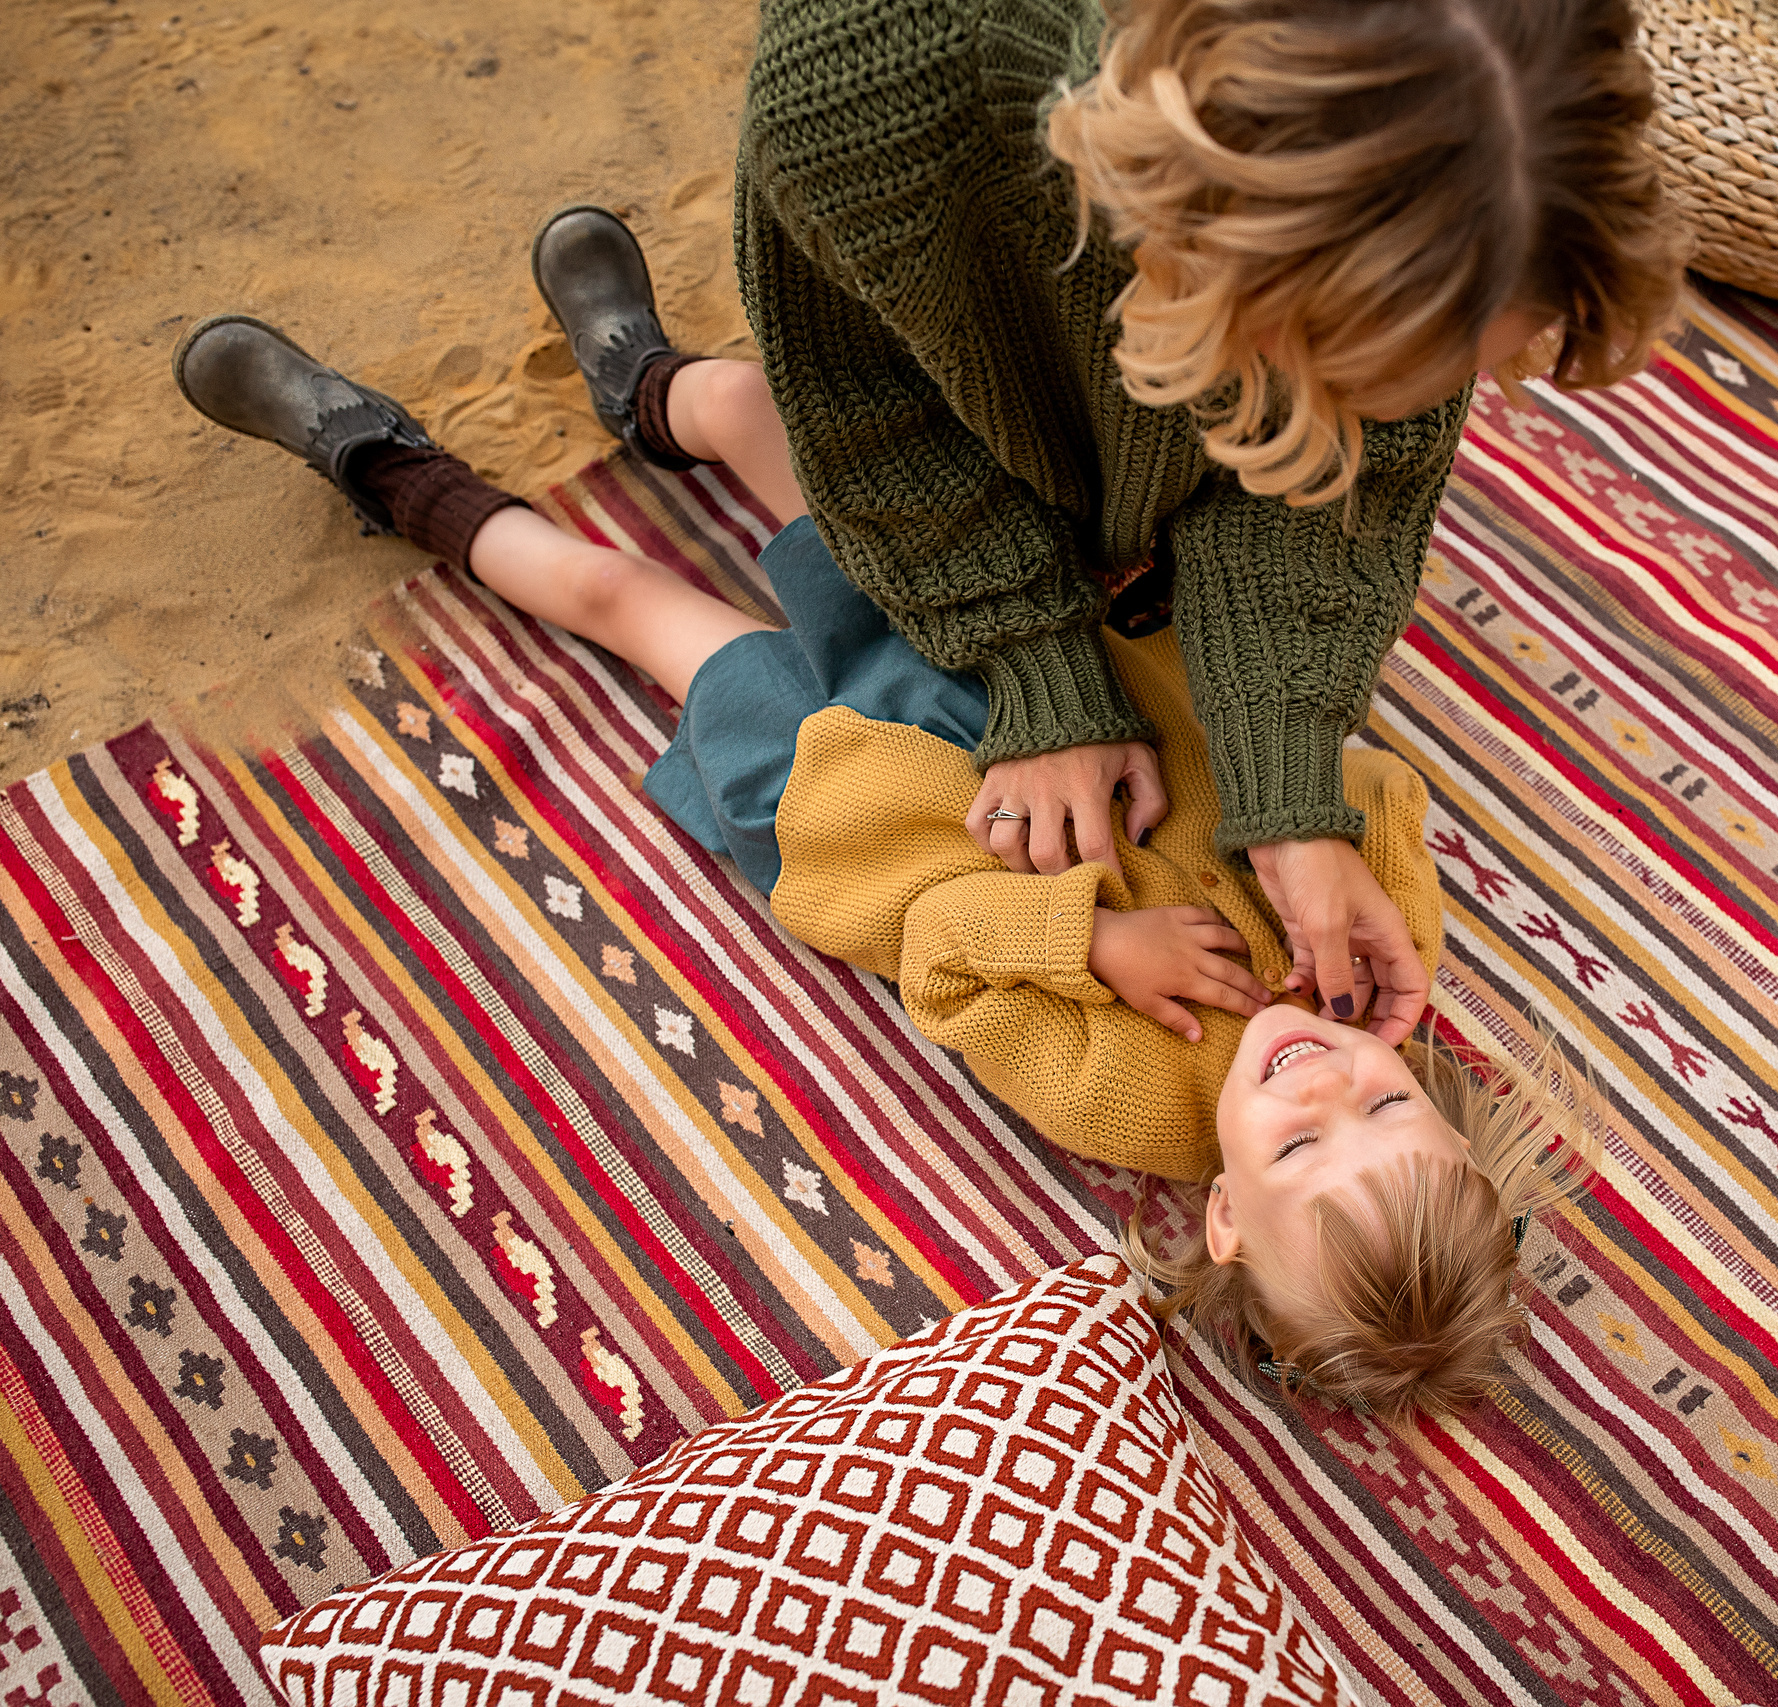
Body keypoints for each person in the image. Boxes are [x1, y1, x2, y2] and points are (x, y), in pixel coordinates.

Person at [173, 213, 1602, 1416]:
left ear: (1224, 1214)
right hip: (1024, 677)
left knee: (622, 597)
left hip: (858, 801)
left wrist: (1092, 946)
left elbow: (941, 960)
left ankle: (381, 465)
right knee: (766, 420)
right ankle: (644, 381)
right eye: (1387, 1103)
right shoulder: (1376, 955)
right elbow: (1369, 775)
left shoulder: (1135, 1104)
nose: (1322, 1083)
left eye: (1296, 1147)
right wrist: (1332, 842)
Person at [719, 0, 1680, 1042]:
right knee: (773, 442)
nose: (1389, 415)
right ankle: (674, 394)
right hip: (945, 386)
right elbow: (867, 406)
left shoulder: (1473, 145)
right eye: (1339, 371)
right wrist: (1036, 663)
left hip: (1115, 415)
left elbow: (1342, 476)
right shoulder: (857, 85)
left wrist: (1286, 788)